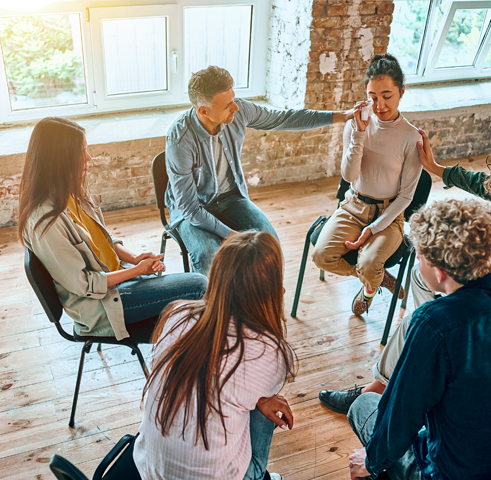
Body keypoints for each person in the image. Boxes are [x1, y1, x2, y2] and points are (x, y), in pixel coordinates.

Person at [319, 128, 491, 412]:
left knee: (419, 321)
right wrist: (438, 169)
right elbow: (489, 185)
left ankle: (377, 389)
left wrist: (447, 314)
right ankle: (428, 351)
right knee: (420, 280)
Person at [345, 199, 491, 480]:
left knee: (364, 407)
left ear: (440, 272)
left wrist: (371, 461)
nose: (418, 261)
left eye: (419, 256)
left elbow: (398, 419)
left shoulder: (435, 323)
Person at [19, 117, 208, 340]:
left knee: (196, 306)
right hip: (104, 305)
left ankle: (196, 351)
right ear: (59, 160)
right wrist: (137, 271)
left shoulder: (68, 192)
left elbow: (102, 238)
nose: (88, 159)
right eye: (81, 153)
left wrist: (135, 258)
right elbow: (84, 284)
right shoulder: (44, 221)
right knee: (198, 286)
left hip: (118, 281)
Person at [134, 231, 296, 480]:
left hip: (149, 468)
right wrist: (261, 400)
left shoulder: (178, 314)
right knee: (269, 403)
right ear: (273, 289)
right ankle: (258, 475)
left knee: (248, 397)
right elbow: (252, 388)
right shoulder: (272, 351)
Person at [166, 65, 357, 274]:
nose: (236, 108)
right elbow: (190, 209)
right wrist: (231, 235)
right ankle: (210, 306)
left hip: (230, 198)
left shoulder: (238, 111)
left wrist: (341, 116)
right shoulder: (180, 139)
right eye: (228, 105)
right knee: (209, 257)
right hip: (193, 209)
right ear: (203, 111)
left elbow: (285, 118)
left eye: (234, 99)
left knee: (269, 244)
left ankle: (261, 298)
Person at [311, 53, 422, 316]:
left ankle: (369, 288)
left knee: (370, 261)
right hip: (353, 207)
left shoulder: (411, 137)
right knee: (321, 257)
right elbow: (349, 176)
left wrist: (372, 230)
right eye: (372, 96)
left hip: (388, 215)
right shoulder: (356, 122)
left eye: (387, 95)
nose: (379, 104)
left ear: (401, 91)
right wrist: (359, 133)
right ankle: (375, 278)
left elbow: (406, 197)